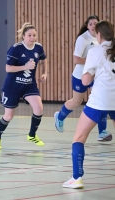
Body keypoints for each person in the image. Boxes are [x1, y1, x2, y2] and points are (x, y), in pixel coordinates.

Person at [62, 20, 115, 189]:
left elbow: (85, 81)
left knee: (79, 138)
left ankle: (76, 178)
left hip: (98, 101)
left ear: (99, 34)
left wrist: (91, 74)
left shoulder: (96, 51)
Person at [54, 15, 112, 142]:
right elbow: (76, 59)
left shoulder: (101, 40)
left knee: (100, 100)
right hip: (81, 75)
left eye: (95, 23)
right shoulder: (83, 39)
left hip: (95, 76)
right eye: (90, 24)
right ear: (87, 26)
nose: (93, 26)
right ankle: (60, 116)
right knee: (76, 102)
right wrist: (93, 61)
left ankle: (102, 131)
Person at [0, 22, 48, 150]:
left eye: (34, 35)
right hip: (13, 86)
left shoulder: (38, 48)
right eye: (29, 35)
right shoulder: (15, 48)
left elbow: (44, 59)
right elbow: (8, 68)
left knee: (39, 109)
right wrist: (25, 67)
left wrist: (45, 73)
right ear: (23, 36)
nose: (32, 38)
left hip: (29, 85)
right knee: (8, 116)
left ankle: (32, 135)